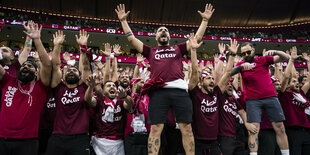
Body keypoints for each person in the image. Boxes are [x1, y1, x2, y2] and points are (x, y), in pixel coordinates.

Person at [115, 3, 215, 154]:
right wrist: (123, 21)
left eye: (165, 31)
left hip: (180, 91)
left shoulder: (177, 49)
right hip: (159, 92)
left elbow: (197, 38)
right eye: (160, 30)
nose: (163, 31)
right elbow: (132, 40)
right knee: (155, 129)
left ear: (169, 37)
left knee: (186, 128)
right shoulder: (150, 51)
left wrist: (205, 21)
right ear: (155, 37)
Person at [0, 22, 52, 155]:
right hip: (2, 139)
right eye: (24, 65)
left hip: (27, 141)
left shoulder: (40, 87)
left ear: (36, 73)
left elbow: (46, 65)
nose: (25, 67)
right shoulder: (8, 80)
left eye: (30, 66)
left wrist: (37, 40)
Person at [231, 42, 290, 155]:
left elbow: (287, 58)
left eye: (248, 52)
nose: (246, 55)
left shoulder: (263, 60)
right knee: (253, 130)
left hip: (271, 98)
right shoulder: (241, 63)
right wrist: (240, 67)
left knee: (280, 128)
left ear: (253, 50)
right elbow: (229, 73)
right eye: (244, 53)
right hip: (253, 101)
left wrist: (276, 51)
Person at [46, 30, 92, 155]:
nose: (71, 71)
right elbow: (55, 66)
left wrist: (83, 48)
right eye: (68, 71)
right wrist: (57, 46)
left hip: (80, 138)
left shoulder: (84, 87)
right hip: (57, 137)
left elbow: (86, 68)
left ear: (80, 75)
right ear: (63, 75)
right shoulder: (58, 87)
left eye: (75, 70)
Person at [85, 76, 133, 155]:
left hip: (118, 143)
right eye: (108, 86)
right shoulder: (99, 101)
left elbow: (130, 104)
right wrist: (90, 87)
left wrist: (125, 96)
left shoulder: (121, 102)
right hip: (99, 142)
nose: (112, 87)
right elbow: (88, 99)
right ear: (103, 92)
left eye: (114, 86)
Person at [278, 47, 310, 155]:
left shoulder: (301, 93)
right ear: (287, 85)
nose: (296, 82)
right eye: (293, 81)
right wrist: (290, 61)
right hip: (292, 131)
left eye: (297, 81)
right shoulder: (284, 94)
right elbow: (287, 76)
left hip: (306, 131)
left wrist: (308, 62)